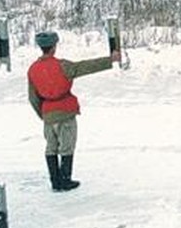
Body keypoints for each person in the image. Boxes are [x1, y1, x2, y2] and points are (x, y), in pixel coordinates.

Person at [27, 31, 120, 192]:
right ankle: (65, 180)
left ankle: (55, 181)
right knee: (66, 146)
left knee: (51, 147)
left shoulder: (33, 69)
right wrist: (110, 60)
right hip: (65, 110)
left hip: (48, 113)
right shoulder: (63, 66)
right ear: (54, 47)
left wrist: (44, 115)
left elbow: (32, 97)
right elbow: (85, 67)